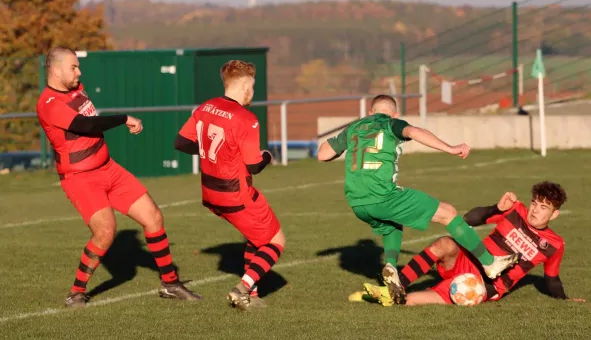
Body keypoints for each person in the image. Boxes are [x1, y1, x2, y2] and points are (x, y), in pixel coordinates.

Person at [36, 47, 200, 308]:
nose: (79, 71)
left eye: (78, 66)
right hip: (81, 178)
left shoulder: (76, 89)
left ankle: (170, 283)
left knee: (153, 217)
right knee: (105, 231)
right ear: (56, 71)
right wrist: (124, 118)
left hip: (109, 168)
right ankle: (76, 292)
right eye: (74, 67)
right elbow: (86, 125)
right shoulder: (50, 104)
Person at [317, 94, 519, 304]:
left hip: (357, 203)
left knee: (391, 225)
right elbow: (413, 131)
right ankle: (489, 263)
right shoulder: (391, 123)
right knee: (448, 212)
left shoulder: (354, 128)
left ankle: (391, 267)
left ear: (370, 112)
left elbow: (322, 154)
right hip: (383, 196)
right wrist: (450, 148)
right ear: (395, 114)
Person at [358, 182, 585, 306]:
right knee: (445, 243)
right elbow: (469, 220)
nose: (535, 210)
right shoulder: (516, 211)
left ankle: (391, 299)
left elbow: (552, 278)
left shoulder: (555, 244)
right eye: (535, 203)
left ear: (554, 215)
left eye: (544, 207)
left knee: (418, 301)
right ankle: (397, 283)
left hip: (486, 283)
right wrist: (497, 208)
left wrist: (565, 300)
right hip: (469, 259)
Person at [174, 59, 285, 311]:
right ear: (245, 84)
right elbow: (254, 165)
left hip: (210, 194)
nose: (252, 93)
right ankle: (243, 288)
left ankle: (252, 296)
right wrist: (268, 155)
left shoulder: (205, 107)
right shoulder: (246, 118)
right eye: (253, 86)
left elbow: (181, 143)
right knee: (275, 241)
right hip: (236, 194)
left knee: (255, 237)